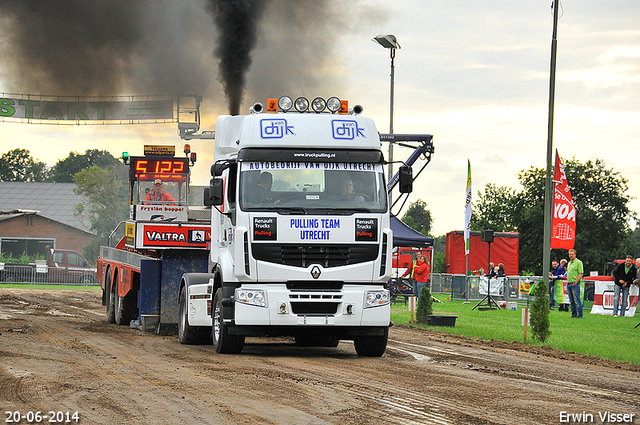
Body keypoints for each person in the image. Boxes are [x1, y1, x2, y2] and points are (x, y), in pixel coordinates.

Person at [566, 249, 584, 318]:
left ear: (575, 255)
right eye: (570, 254)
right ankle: (574, 314)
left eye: (572, 254)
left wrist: (576, 282)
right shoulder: (569, 263)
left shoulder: (578, 262)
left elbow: (581, 273)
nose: (571, 255)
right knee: (571, 301)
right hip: (569, 283)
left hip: (574, 284)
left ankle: (580, 315)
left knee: (577, 300)